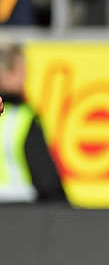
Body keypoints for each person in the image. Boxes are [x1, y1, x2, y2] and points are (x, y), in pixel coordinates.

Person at [0, 43, 65, 204]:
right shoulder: (23, 117)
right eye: (22, 71)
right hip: (20, 209)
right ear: (6, 74)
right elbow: (46, 179)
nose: (25, 77)